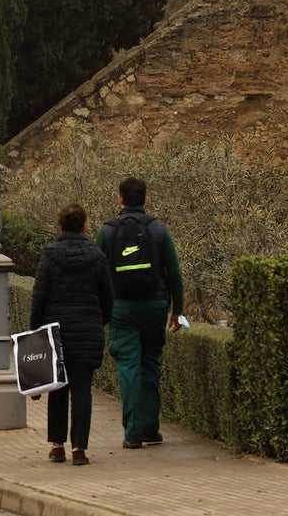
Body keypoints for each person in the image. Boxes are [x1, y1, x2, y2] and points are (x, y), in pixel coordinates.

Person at [95, 176, 185, 450]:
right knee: (150, 364)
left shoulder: (107, 232)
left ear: (120, 199)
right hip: (155, 306)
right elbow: (175, 274)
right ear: (145, 199)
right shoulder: (158, 230)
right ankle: (150, 428)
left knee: (128, 367)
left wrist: (100, 312)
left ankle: (133, 432)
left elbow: (97, 274)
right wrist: (178, 311)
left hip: (121, 307)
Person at [29, 203, 114, 466]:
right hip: (87, 332)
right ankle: (79, 448)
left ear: (60, 226)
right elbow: (108, 298)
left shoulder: (50, 256)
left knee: (58, 389)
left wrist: (35, 332)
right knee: (82, 390)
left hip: (56, 333)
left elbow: (39, 297)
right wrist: (99, 322)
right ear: (85, 226)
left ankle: (57, 446)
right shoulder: (97, 256)